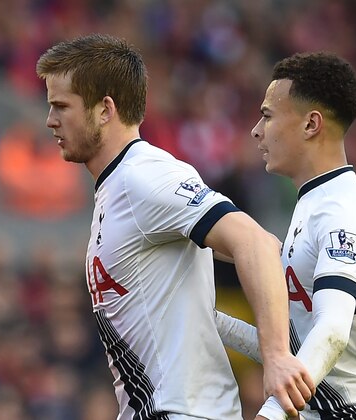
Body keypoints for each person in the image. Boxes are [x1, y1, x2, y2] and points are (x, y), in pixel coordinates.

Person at [36, 33, 314, 420]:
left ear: (105, 110)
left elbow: (254, 242)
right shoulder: (117, 186)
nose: (49, 120)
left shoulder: (145, 178)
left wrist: (277, 355)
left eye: (60, 106)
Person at [217, 52, 356, 419]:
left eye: (267, 115)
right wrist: (209, 318)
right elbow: (295, 350)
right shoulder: (314, 204)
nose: (256, 130)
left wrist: (271, 412)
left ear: (311, 124)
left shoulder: (346, 209)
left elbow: (331, 332)